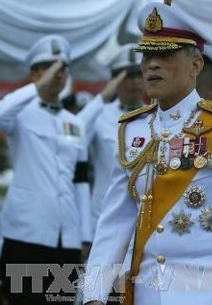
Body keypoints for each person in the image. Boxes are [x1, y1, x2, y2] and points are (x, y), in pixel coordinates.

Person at [83, 3, 212, 305]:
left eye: (165, 55)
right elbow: (115, 219)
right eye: (147, 55)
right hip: (147, 291)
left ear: (196, 66)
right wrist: (94, 293)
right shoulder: (133, 130)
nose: (152, 65)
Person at [0, 35, 92, 305]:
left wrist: (83, 234)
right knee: (25, 300)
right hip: (26, 234)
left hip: (66, 235)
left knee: (62, 301)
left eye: (62, 68)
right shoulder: (21, 114)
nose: (58, 74)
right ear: (34, 73)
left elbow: (80, 181)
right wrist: (37, 87)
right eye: (49, 67)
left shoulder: (75, 123)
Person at [87, 43, 145, 237]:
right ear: (115, 80)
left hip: (144, 214)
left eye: (139, 75)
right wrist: (103, 97)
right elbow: (76, 136)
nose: (135, 82)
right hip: (105, 214)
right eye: (128, 77)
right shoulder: (99, 114)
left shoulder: (157, 115)